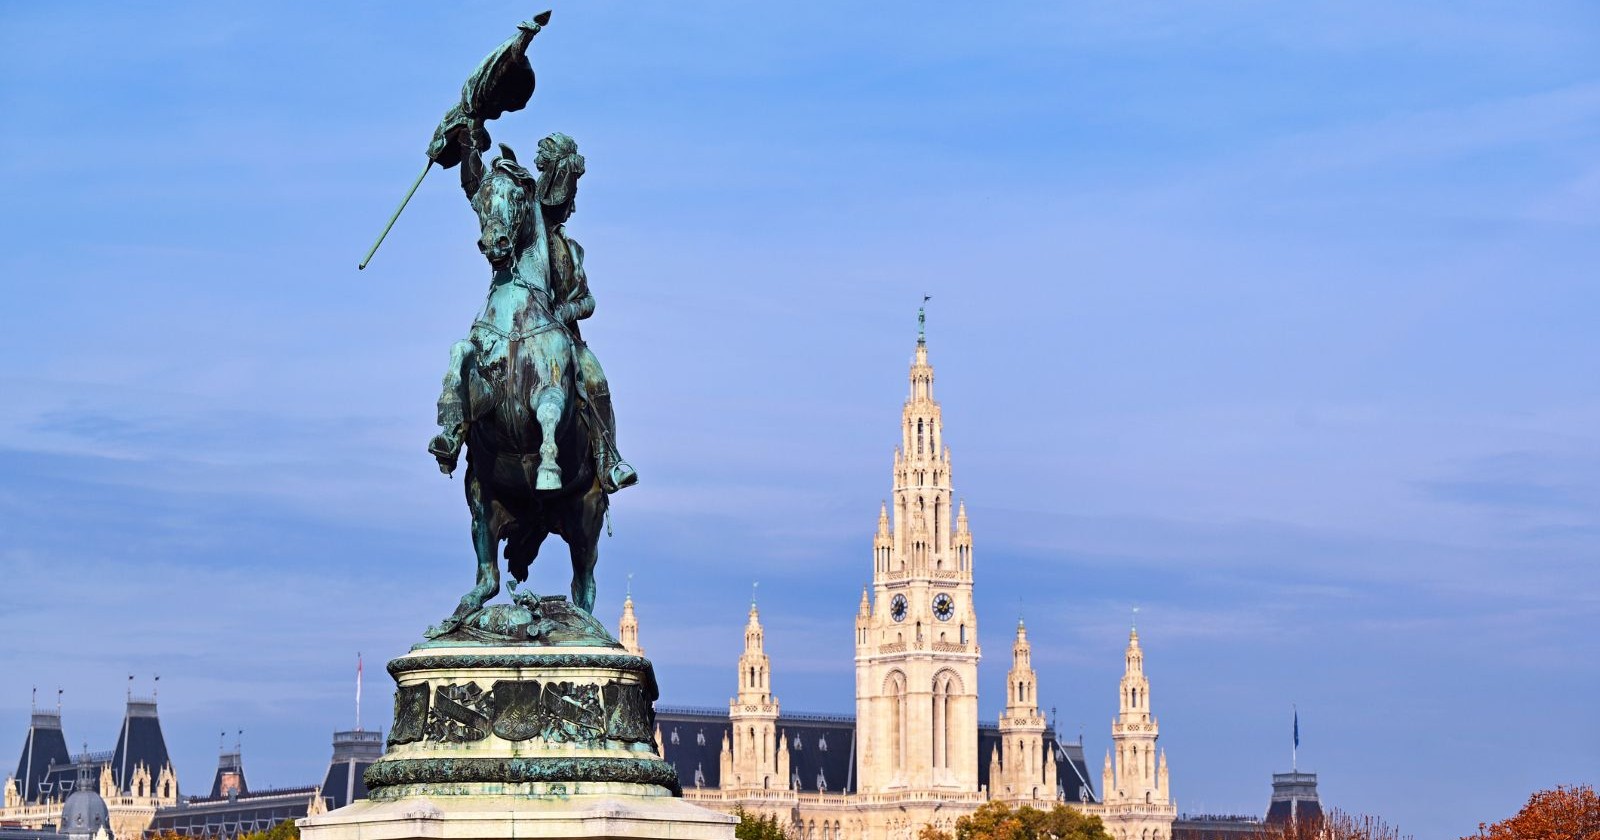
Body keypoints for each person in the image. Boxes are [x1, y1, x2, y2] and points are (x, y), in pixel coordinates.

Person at [427, 123, 636, 493]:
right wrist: (467, 144)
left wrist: (563, 313)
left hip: (560, 336)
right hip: (505, 323)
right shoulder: (517, 253)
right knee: (469, 355)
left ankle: (609, 459)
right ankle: (453, 435)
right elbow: (478, 190)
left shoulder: (566, 250)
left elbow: (587, 301)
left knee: (596, 376)